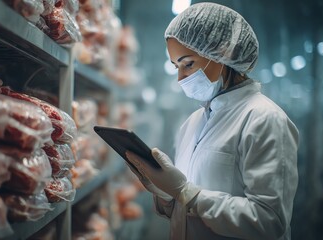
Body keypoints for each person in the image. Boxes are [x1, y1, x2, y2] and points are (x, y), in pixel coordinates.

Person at [125, 2, 298, 240]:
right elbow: (185, 211)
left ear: (224, 52)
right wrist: (166, 192)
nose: (180, 78)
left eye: (188, 64)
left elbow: (269, 221)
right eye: (176, 66)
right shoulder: (193, 122)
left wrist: (188, 194)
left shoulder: (264, 119)